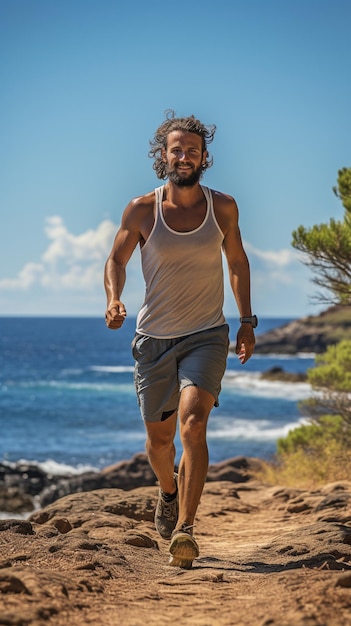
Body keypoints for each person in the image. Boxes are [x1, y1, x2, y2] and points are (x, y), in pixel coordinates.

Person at [104, 110, 257, 569]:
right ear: (163, 156)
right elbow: (116, 260)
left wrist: (247, 321)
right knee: (159, 442)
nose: (184, 156)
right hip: (153, 338)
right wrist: (113, 299)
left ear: (204, 157)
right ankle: (168, 490)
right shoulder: (141, 209)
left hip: (207, 335)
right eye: (176, 149)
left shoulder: (223, 207)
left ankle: (186, 531)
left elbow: (238, 263)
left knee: (193, 424)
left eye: (193, 149)